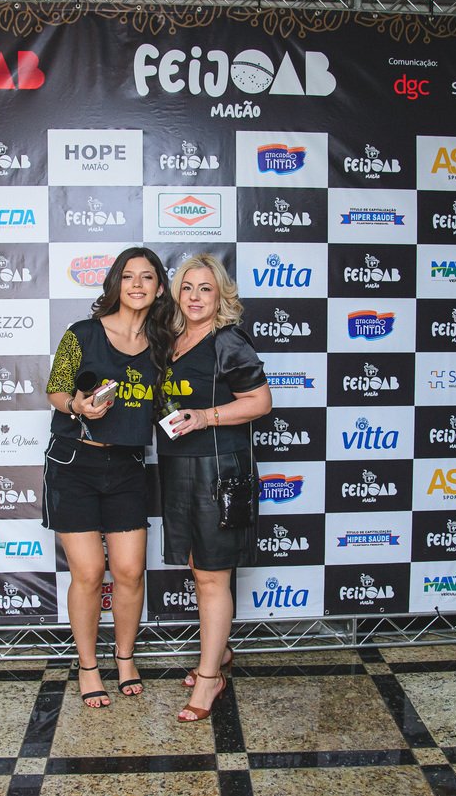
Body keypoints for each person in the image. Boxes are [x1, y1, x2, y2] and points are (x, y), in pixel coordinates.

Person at [43, 247, 174, 708]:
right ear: (115, 283)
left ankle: (124, 657)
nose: (137, 284)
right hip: (74, 464)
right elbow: (55, 390)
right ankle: (87, 666)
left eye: (147, 277)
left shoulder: (163, 345)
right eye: (128, 276)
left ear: (160, 287)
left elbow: (170, 402)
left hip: (127, 467)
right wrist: (77, 406)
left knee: (129, 572)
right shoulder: (82, 333)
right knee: (89, 572)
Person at [158, 253, 272, 723]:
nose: (195, 297)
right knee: (197, 565)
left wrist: (207, 416)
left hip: (219, 470)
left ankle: (210, 678)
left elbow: (260, 402)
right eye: (187, 288)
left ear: (220, 295)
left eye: (205, 288)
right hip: (177, 465)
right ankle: (219, 651)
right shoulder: (171, 339)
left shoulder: (228, 340)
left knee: (211, 575)